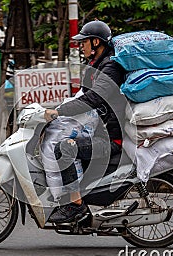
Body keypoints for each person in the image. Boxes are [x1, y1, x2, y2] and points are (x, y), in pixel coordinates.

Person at [44, 20, 128, 223]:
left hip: (111, 139)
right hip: (99, 131)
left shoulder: (111, 68)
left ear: (96, 43)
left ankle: (76, 206)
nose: (81, 46)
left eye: (84, 42)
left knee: (66, 147)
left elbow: (94, 99)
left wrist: (59, 111)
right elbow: (82, 96)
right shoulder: (97, 66)